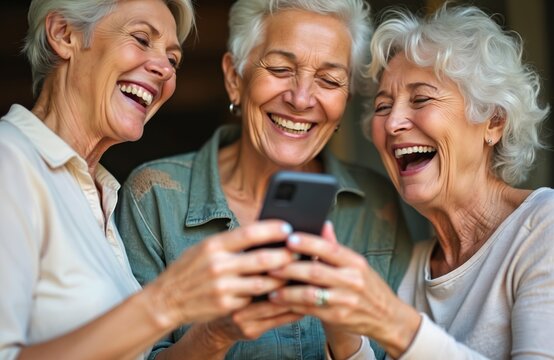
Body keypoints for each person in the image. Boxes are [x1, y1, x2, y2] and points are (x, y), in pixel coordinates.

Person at [0, 1, 301, 359]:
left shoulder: (102, 198)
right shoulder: (11, 161)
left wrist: (217, 334)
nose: (164, 70)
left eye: (173, 60)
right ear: (64, 34)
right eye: (142, 39)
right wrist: (168, 300)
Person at [115, 0, 413, 358]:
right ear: (234, 78)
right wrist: (216, 334)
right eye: (280, 68)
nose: (301, 99)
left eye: (329, 80)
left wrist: (345, 334)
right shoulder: (155, 196)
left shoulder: (374, 204)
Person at [267, 2, 554, 359]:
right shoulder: (414, 263)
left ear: (493, 121)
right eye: (383, 106)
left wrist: (390, 319)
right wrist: (342, 330)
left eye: (421, 98)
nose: (391, 123)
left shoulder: (544, 228)